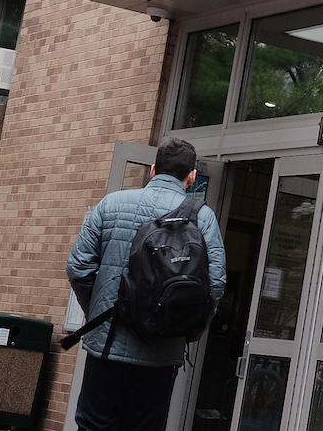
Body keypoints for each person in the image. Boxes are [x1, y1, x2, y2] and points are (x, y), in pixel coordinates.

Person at [67, 138, 227, 431]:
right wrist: (187, 329)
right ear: (191, 176)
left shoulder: (112, 204)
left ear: (153, 170)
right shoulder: (203, 217)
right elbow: (215, 286)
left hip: (108, 343)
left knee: (93, 425)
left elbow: (78, 268)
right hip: (162, 351)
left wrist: (99, 311)